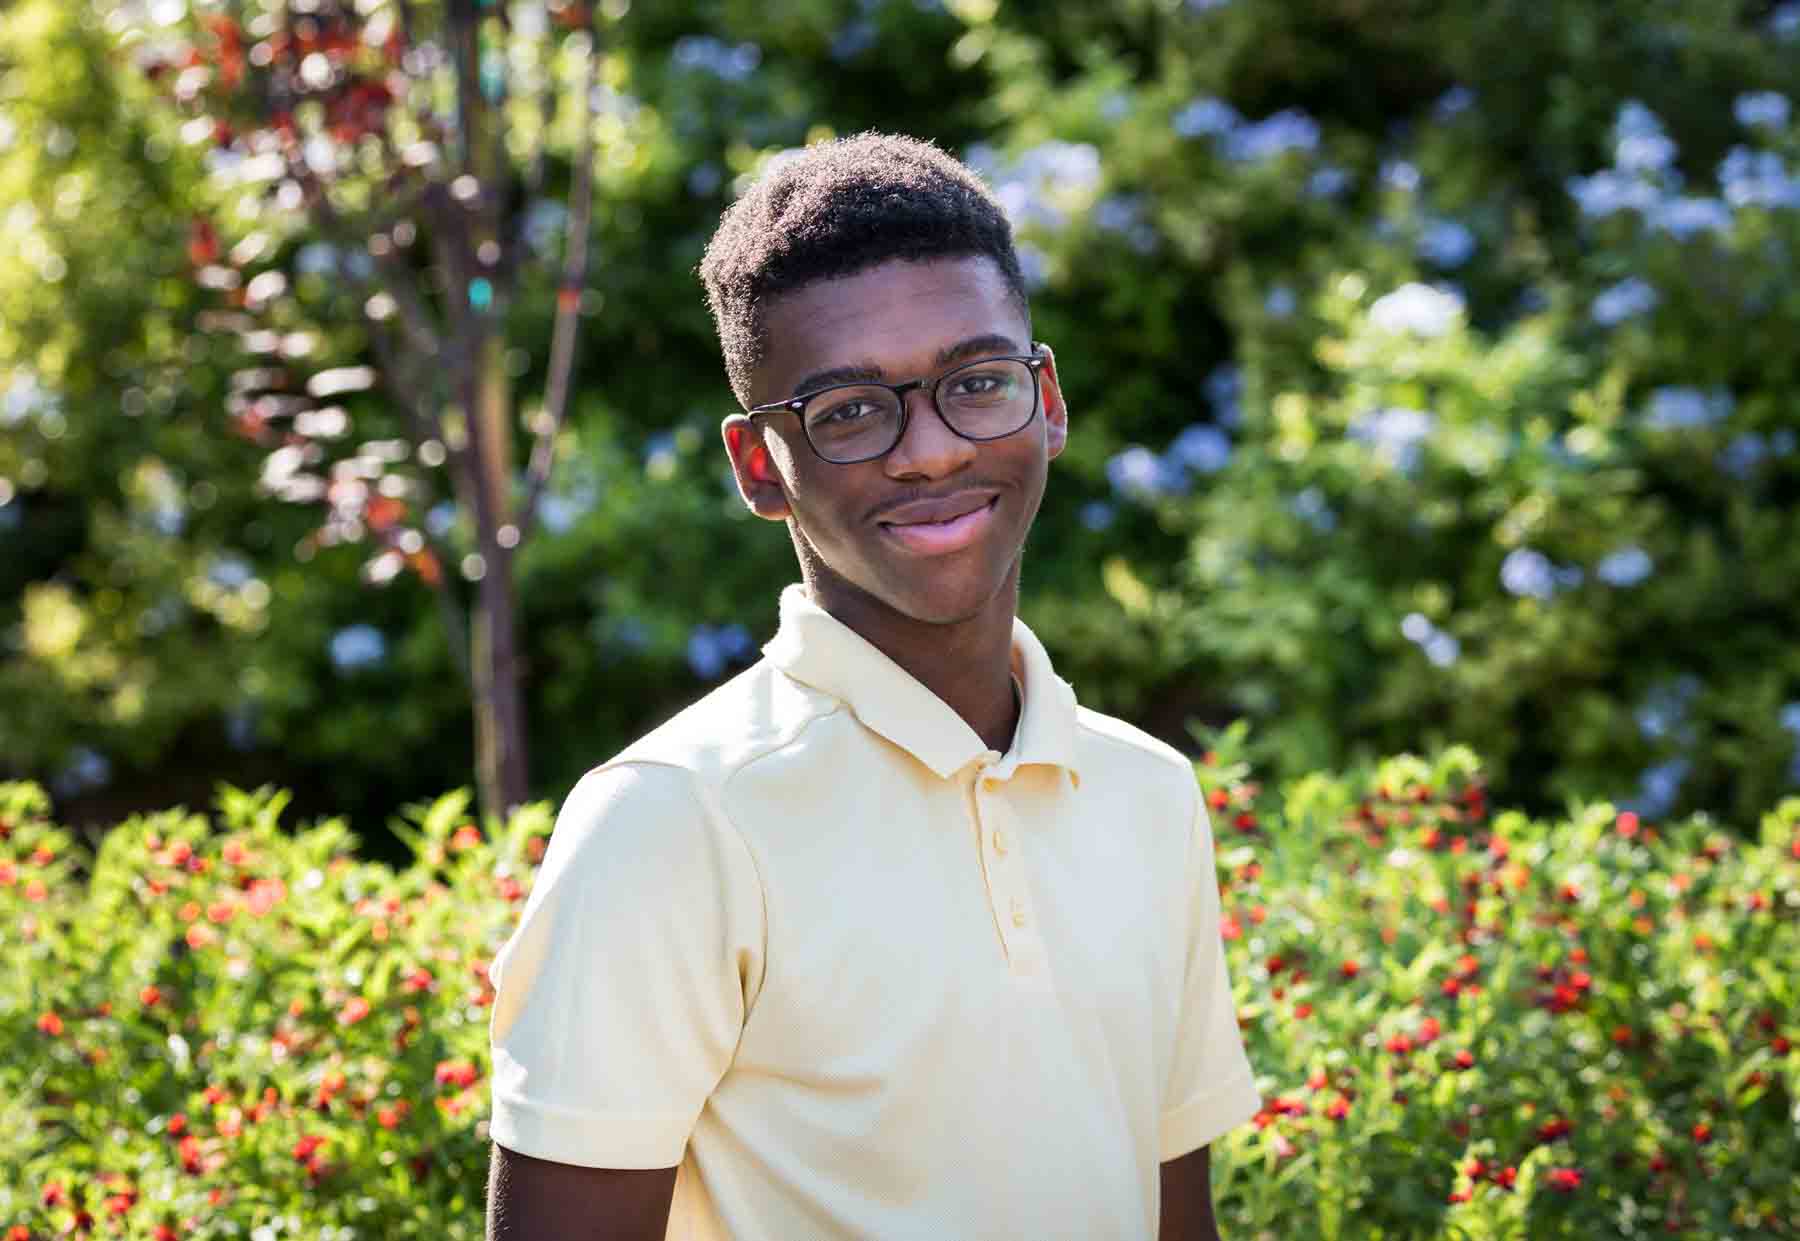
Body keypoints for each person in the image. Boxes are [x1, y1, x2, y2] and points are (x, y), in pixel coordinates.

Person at [485, 132, 1260, 1241]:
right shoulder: (672, 821)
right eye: (850, 409)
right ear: (762, 467)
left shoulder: (1147, 794)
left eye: (977, 382)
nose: (934, 450)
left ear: (1045, 400)